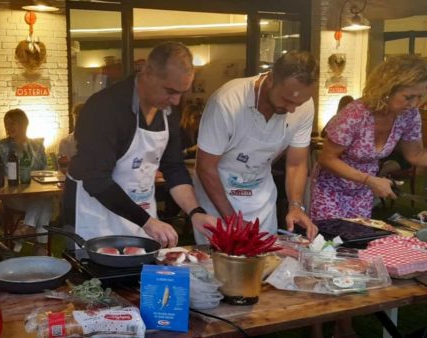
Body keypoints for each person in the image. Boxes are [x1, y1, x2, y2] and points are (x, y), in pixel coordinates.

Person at [63, 41, 216, 248]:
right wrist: (148, 222)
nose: (176, 101)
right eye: (170, 91)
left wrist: (195, 213)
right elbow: (96, 179)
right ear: (147, 73)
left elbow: (173, 168)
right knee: (99, 279)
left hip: (142, 215)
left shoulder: (167, 112)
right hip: (97, 217)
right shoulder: (105, 109)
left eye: (182, 92)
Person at [194, 50, 320, 243]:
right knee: (220, 267)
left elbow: (296, 163)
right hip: (218, 197)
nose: (292, 109)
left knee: (266, 266)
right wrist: (232, 220)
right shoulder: (228, 102)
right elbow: (205, 167)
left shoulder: (304, 106)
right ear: (270, 79)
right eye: (286, 100)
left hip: (260, 200)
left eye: (299, 103)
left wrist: (296, 205)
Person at [311, 54, 427, 220]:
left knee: (358, 240)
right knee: (330, 243)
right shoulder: (356, 113)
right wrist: (368, 180)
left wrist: (368, 182)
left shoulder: (409, 115)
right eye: (408, 97)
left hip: (363, 191)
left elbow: (415, 155)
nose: (414, 104)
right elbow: (327, 159)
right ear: (388, 89)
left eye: (420, 97)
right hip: (331, 190)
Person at [0, 109, 52, 245]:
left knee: (45, 199)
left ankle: (24, 228)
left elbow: (45, 169)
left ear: (23, 125)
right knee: (45, 202)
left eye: (12, 124)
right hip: (13, 195)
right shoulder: (1, 146)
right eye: (6, 124)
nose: (8, 128)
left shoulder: (37, 145)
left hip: (35, 193)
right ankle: (40, 246)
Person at [57, 103, 84, 173]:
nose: (79, 121)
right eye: (77, 118)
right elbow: (64, 170)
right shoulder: (66, 142)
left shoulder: (98, 141)